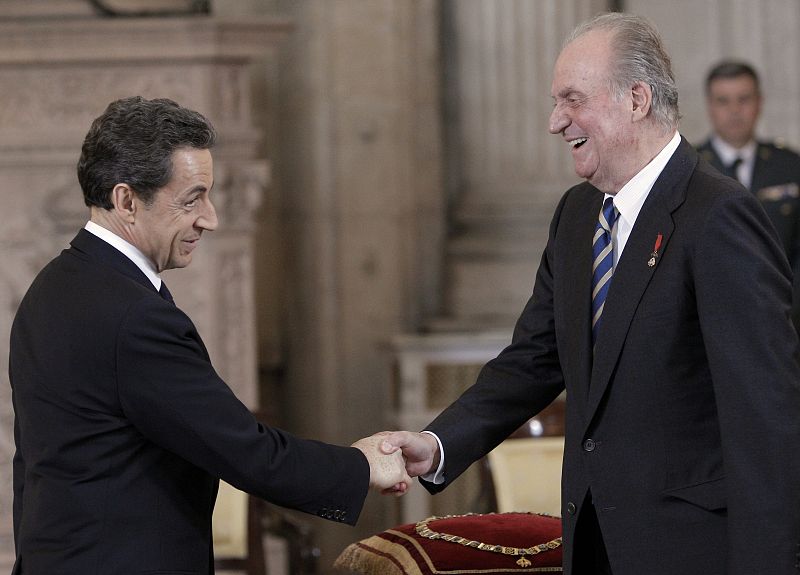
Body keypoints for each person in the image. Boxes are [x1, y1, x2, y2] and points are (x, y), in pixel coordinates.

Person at [381, 12, 800, 575]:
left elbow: (766, 418)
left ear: (637, 99)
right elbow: (534, 359)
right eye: (557, 103)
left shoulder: (718, 215)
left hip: (691, 549)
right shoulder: (577, 215)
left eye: (572, 100)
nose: (556, 121)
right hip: (595, 543)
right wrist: (437, 444)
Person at [9, 96, 410, 574]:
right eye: (191, 198)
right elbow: (249, 453)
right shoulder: (133, 316)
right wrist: (364, 465)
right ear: (126, 200)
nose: (211, 217)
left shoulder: (53, 286)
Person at [696, 60, 800, 330]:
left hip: (785, 321)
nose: (734, 111)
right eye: (723, 101)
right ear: (709, 106)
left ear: (760, 102)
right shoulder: (689, 170)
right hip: (711, 326)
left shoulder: (790, 166)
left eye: (744, 99)